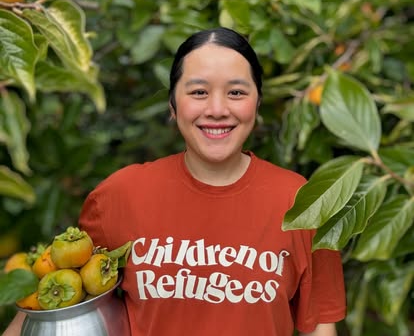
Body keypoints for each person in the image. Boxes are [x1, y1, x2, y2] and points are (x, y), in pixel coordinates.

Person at [4, 27, 346, 336]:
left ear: (257, 103)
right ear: (172, 104)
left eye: (236, 92)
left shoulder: (302, 202)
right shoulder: (119, 196)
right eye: (198, 92)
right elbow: (57, 300)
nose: (217, 109)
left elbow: (320, 327)